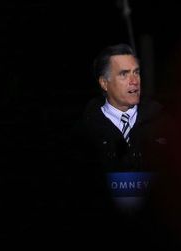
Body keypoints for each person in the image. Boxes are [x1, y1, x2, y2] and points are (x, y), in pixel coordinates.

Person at [72, 43, 168, 215]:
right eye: (124, 74)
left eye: (136, 72)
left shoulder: (163, 124)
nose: (134, 81)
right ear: (104, 83)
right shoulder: (84, 132)